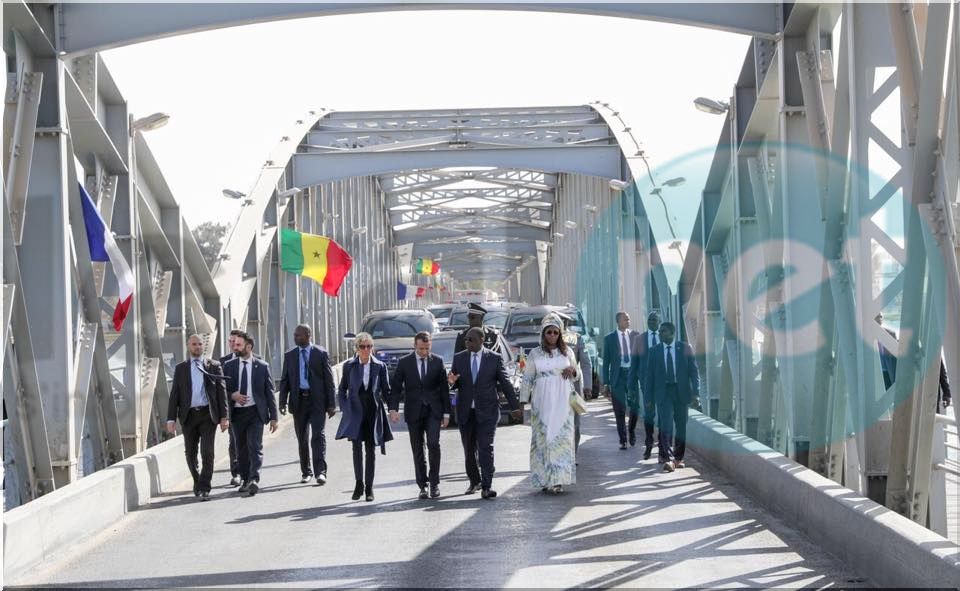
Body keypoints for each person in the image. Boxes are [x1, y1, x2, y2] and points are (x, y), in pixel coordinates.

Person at [448, 327, 522, 499]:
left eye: (471, 340)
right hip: (466, 411)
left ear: (482, 339)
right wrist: (451, 382)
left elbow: (505, 383)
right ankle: (475, 481)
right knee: (469, 450)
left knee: (485, 448)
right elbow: (454, 381)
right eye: (466, 340)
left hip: (487, 411)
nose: (467, 343)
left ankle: (487, 486)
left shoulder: (494, 359)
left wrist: (515, 407)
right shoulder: (459, 358)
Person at [166, 334, 229, 501]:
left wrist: (224, 417)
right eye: (194, 344)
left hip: (208, 415)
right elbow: (175, 395)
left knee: (207, 452)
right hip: (188, 416)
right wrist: (171, 419)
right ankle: (197, 481)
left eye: (200, 344)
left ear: (203, 346)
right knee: (190, 453)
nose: (197, 347)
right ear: (188, 346)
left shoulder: (213, 366)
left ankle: (205, 487)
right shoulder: (181, 368)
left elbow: (221, 392)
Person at [521, 314, 578, 494]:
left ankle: (559, 480)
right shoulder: (535, 354)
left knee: (561, 439)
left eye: (555, 332)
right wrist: (523, 402)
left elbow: (578, 374)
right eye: (549, 332)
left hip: (563, 401)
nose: (552, 335)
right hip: (542, 401)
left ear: (560, 334)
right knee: (543, 438)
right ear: (543, 334)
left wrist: (572, 370)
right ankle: (545, 479)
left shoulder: (567, 352)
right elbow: (527, 379)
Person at [390, 332, 451, 499]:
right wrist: (393, 409)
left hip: (433, 411)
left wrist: (446, 413)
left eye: (427, 348)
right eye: (421, 349)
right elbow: (396, 388)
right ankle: (422, 485)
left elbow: (444, 390)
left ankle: (435, 483)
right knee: (418, 449)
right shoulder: (405, 363)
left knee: (433, 444)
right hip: (414, 411)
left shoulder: (437, 362)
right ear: (415, 346)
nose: (424, 352)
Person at [336, 332, 393, 502]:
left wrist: (392, 409)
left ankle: (369, 487)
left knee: (371, 449)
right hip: (355, 411)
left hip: (372, 410)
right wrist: (345, 409)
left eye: (369, 346)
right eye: (362, 346)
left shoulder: (379, 366)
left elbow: (386, 390)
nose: (366, 350)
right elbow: (342, 390)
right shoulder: (349, 366)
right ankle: (358, 483)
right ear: (357, 348)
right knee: (356, 449)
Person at [278, 324, 337, 485]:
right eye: (294, 335)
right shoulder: (290, 355)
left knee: (318, 436)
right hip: (299, 402)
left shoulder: (320, 353)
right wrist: (282, 401)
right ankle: (306, 471)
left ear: (308, 335)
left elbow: (329, 380)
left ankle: (321, 472)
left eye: (298, 335)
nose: (295, 338)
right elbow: (285, 380)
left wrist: (332, 403)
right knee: (302, 438)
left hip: (317, 401)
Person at [223, 332, 278, 496]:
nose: (235, 347)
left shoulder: (262, 366)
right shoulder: (229, 366)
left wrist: (274, 417)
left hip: (255, 412)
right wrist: (233, 395)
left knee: (255, 446)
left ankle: (254, 479)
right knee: (241, 449)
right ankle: (246, 479)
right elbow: (222, 390)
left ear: (249, 347)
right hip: (237, 414)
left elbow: (269, 392)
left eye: (239, 345)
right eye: (234, 344)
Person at [645, 322, 700, 472]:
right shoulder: (654, 352)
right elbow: (649, 377)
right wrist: (648, 399)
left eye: (663, 331)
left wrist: (696, 393)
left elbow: (694, 373)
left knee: (681, 426)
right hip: (663, 393)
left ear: (672, 333)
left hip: (681, 392)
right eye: (660, 331)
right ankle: (668, 458)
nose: (660, 334)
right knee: (666, 424)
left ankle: (679, 458)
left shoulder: (684, 348)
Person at [602, 312, 641, 449]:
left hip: (632, 376)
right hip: (617, 378)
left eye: (629, 319)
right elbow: (606, 362)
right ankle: (623, 439)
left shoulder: (636, 336)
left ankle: (631, 430)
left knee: (635, 407)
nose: (628, 321)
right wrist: (606, 383)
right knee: (619, 410)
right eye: (625, 319)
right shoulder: (609, 339)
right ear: (618, 321)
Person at [558, 312, 592, 455]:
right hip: (555, 388)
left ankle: (573, 454)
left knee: (575, 424)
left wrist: (588, 387)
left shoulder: (576, 339)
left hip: (574, 387)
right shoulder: (547, 339)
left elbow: (585, 363)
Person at [219, 329, 244, 486]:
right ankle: (236, 473)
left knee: (249, 443)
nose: (233, 344)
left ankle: (249, 472)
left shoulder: (256, 360)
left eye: (236, 341)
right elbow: (220, 388)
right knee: (234, 442)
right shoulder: (222, 362)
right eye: (230, 341)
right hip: (232, 410)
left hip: (251, 409)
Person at [636, 312, 661, 459]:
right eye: (650, 319)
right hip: (647, 385)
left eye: (655, 320)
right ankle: (649, 442)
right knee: (649, 415)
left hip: (664, 384)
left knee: (664, 416)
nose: (652, 322)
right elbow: (635, 364)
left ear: (659, 322)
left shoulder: (665, 337)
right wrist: (633, 384)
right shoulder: (640, 339)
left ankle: (664, 447)